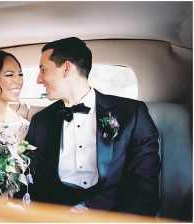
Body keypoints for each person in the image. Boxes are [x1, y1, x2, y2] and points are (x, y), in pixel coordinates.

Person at [25, 37, 161, 216]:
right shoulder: (40, 121)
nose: (38, 79)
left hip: (113, 215)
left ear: (67, 68)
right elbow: (31, 183)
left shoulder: (132, 114)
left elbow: (144, 187)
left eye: (43, 70)